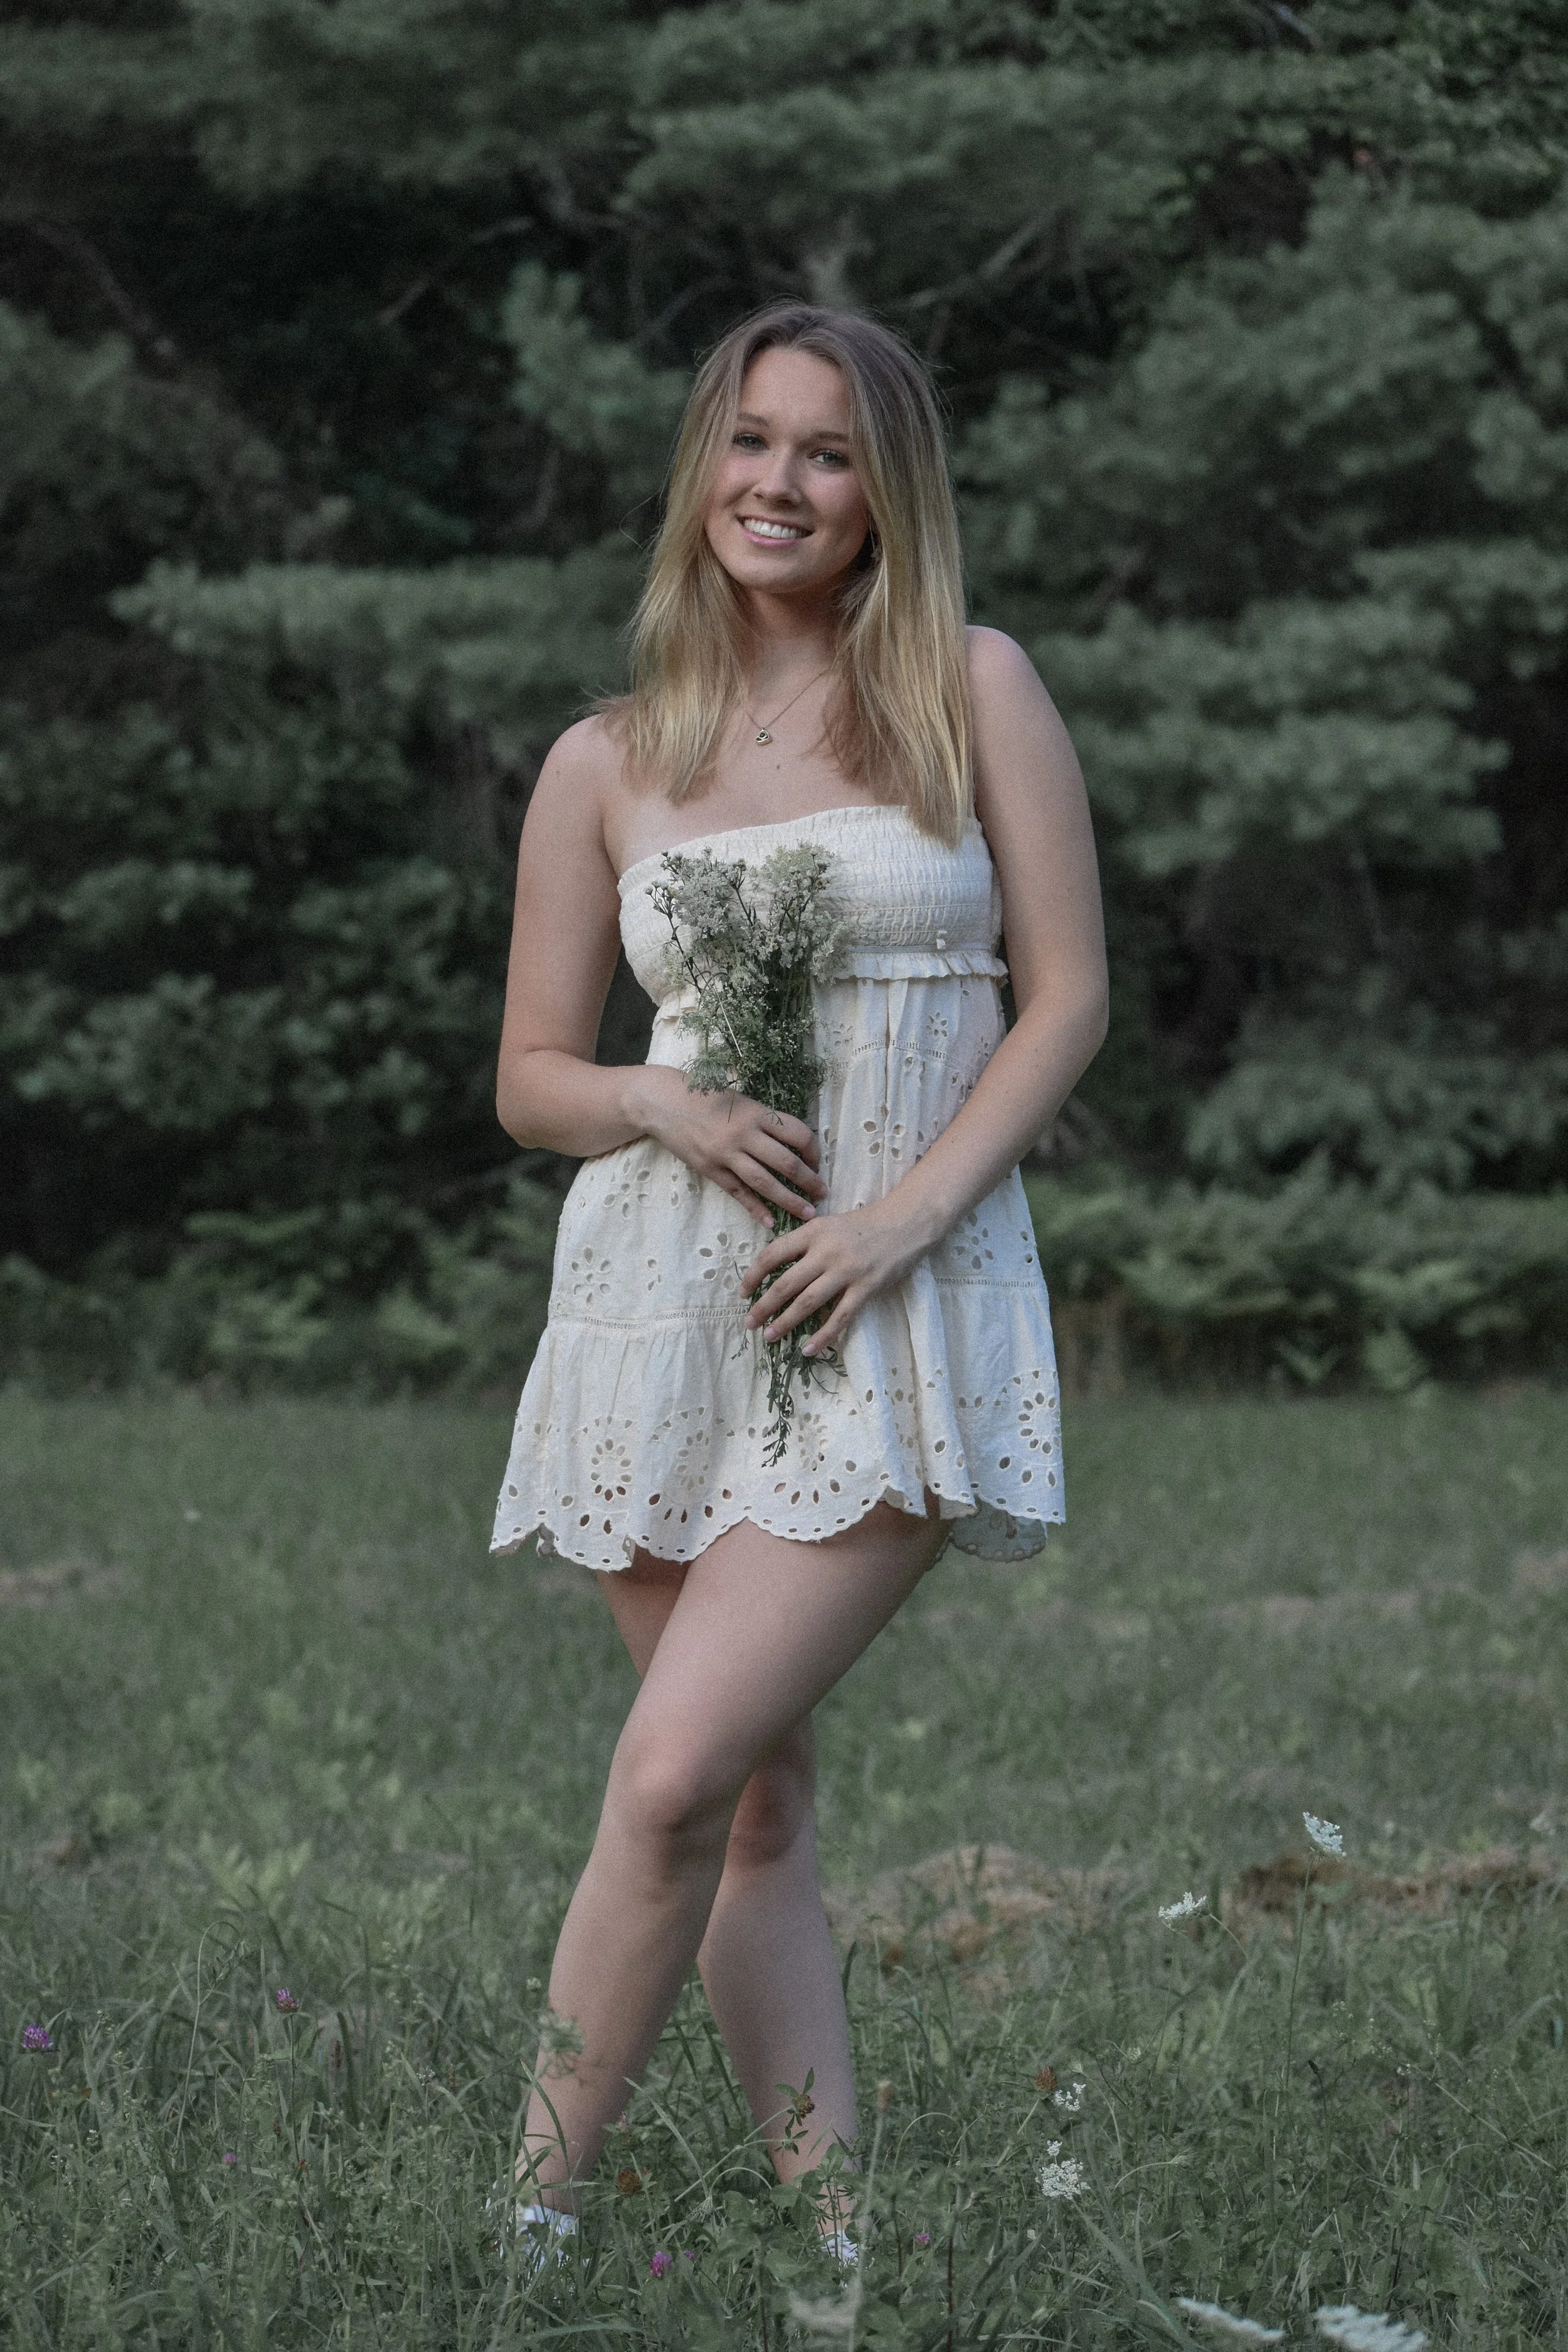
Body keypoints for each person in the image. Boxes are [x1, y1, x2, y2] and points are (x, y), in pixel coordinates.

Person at [490, 302, 1108, 2264]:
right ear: (704, 467)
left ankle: (522, 2225)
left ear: (882, 497)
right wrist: (661, 1108)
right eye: (750, 442)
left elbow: (1068, 997)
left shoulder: (967, 688)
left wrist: (897, 1218)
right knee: (749, 1808)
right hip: (657, 1311)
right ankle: (838, 2251)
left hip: (882, 1300)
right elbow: (528, 1078)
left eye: (826, 454)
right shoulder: (609, 755)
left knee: (672, 1768)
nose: (778, 483)